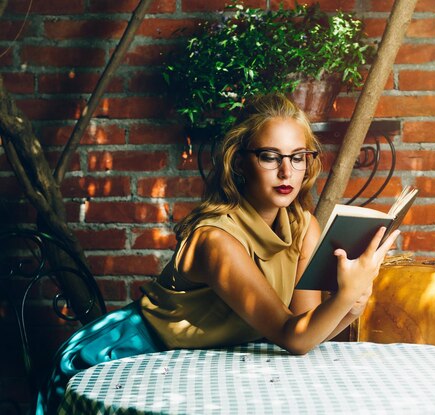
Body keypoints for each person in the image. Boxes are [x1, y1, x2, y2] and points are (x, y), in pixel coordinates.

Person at [37, 93, 400, 413]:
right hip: (128, 359)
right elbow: (294, 336)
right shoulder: (216, 241)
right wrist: (348, 294)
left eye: (298, 157)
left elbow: (305, 325)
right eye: (270, 157)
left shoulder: (302, 226)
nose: (287, 171)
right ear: (240, 162)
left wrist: (353, 302)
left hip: (196, 364)